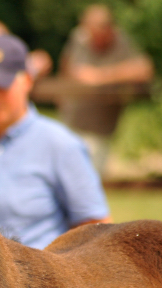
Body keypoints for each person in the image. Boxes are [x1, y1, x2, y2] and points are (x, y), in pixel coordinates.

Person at [0, 34, 112, 250]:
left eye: (2, 87)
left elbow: (96, 226)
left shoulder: (61, 145)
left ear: (27, 80)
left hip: (38, 276)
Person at [58, 3, 154, 175]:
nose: (90, 37)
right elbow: (68, 66)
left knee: (89, 182)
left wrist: (100, 76)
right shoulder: (80, 37)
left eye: (95, 33)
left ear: (108, 29)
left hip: (99, 130)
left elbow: (145, 69)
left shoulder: (121, 41)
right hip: (70, 123)